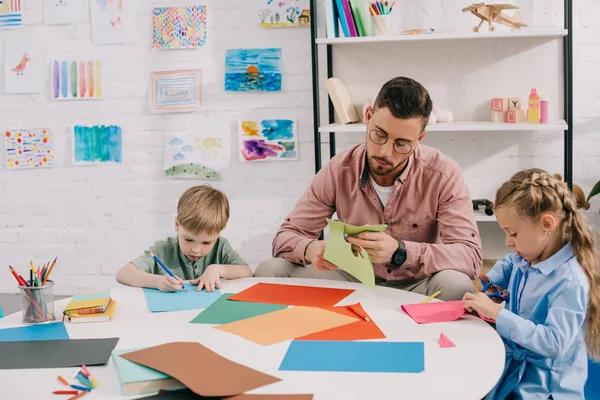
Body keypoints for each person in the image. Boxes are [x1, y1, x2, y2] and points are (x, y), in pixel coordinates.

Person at [255, 76, 483, 301]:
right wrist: (311, 248)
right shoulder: (338, 170)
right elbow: (284, 239)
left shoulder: (443, 174)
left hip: (417, 283)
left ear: (420, 138)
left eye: (401, 144)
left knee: (458, 286)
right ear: (368, 117)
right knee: (270, 270)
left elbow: (470, 258)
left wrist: (400, 251)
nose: (385, 152)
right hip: (350, 278)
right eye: (379, 135)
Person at [463, 169, 600, 399]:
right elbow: (509, 263)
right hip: (517, 370)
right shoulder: (528, 254)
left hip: (546, 387)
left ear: (547, 223)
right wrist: (493, 278)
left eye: (513, 233)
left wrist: (498, 314)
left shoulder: (569, 281)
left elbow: (554, 343)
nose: (508, 242)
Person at [116, 185, 252, 292]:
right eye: (188, 239)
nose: (196, 250)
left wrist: (217, 269)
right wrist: (158, 282)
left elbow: (247, 272)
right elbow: (123, 274)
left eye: (206, 242)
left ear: (218, 234)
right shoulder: (163, 249)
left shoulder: (221, 246)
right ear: (177, 224)